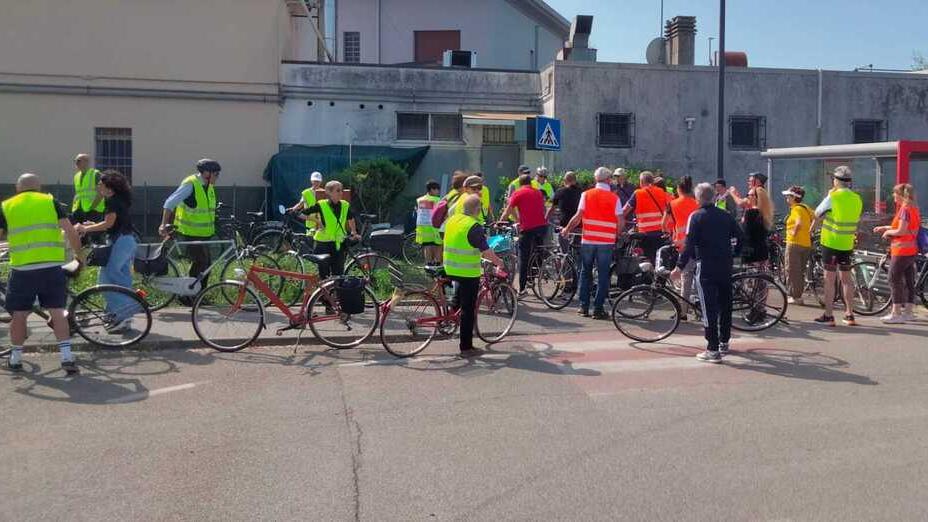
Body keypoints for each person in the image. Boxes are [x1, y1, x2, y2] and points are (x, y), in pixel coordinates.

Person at [2, 173, 85, 373]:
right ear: (39, 188)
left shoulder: (7, 206)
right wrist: (79, 256)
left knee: (19, 315)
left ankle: (15, 358)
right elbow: (71, 231)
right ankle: (66, 357)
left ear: (17, 188)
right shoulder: (50, 201)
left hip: (22, 269)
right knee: (57, 312)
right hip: (51, 268)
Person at [671, 182, 743, 363]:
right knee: (725, 304)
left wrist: (679, 267)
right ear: (713, 197)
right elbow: (741, 236)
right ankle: (724, 342)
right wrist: (735, 253)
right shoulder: (726, 216)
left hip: (706, 266)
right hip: (725, 265)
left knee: (708, 307)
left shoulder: (696, 217)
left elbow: (689, 245)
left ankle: (712, 349)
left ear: (698, 199)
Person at [74, 171, 139, 333]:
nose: (98, 186)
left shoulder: (111, 201)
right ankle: (119, 316)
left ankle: (124, 313)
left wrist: (85, 228)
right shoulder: (120, 200)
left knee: (105, 280)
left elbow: (108, 224)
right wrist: (94, 224)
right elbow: (111, 222)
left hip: (119, 242)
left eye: (100, 184)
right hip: (127, 241)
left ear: (109, 187)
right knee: (121, 280)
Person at [443, 195, 506, 357]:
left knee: (458, 298)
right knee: (468, 309)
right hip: (467, 272)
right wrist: (498, 262)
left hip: (449, 267)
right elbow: (486, 251)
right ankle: (466, 347)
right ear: (477, 210)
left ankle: (452, 318)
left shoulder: (453, 219)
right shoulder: (473, 226)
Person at [560, 167, 623, 319]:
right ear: (608, 180)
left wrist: (567, 229)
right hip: (606, 242)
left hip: (588, 240)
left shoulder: (586, 195)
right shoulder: (614, 198)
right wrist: (616, 235)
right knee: (603, 275)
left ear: (596, 179)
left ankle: (583, 306)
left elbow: (578, 216)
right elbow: (621, 221)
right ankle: (598, 309)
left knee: (585, 272)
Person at [813, 166, 863, 327]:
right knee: (847, 280)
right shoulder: (857, 198)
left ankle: (828, 315)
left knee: (829, 280)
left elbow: (817, 213)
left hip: (831, 243)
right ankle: (849, 314)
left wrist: (829, 195)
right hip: (847, 243)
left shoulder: (833, 197)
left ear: (836, 180)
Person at [160, 159, 221, 293]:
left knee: (206, 265)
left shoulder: (209, 186)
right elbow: (169, 203)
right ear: (206, 173)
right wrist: (163, 225)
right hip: (190, 232)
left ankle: (198, 294)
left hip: (204, 234)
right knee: (201, 262)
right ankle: (188, 294)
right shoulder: (191, 184)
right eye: (216, 174)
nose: (217, 177)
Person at [874, 183, 921, 323]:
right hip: (911, 249)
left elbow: (901, 231)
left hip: (901, 250)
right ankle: (908, 312)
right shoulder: (913, 209)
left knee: (893, 279)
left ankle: (896, 313)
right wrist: (885, 227)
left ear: (901, 195)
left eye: (895, 193)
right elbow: (904, 227)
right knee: (909, 280)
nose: (893, 195)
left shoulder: (904, 210)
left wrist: (888, 232)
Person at [499, 173, 548, 296]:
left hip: (528, 228)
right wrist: (519, 220)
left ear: (520, 184)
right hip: (542, 227)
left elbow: (508, 209)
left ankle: (522, 288)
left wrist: (500, 222)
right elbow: (543, 209)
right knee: (538, 252)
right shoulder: (538, 192)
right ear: (530, 182)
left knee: (523, 257)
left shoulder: (518, 193)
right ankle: (534, 276)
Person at [304, 181, 361, 279]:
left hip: (338, 244)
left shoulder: (345, 205)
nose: (341, 193)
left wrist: (354, 232)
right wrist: (318, 221)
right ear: (329, 192)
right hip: (322, 244)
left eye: (341, 190)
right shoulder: (321, 205)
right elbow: (303, 213)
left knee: (338, 274)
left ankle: (336, 293)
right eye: (338, 190)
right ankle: (325, 294)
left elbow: (350, 218)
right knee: (324, 275)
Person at [663, 176, 699, 319]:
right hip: (698, 244)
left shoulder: (672, 204)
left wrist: (671, 230)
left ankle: (683, 311)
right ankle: (699, 307)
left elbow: (664, 224)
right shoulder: (697, 203)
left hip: (682, 245)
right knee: (699, 277)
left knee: (685, 278)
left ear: (678, 189)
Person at [623, 170, 669, 263]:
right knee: (659, 261)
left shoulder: (638, 193)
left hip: (645, 234)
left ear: (642, 182)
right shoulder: (661, 192)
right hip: (661, 232)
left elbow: (624, 211)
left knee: (646, 261)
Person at [782, 186, 814, 305]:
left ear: (794, 198)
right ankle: (798, 295)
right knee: (800, 271)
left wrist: (793, 232)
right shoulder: (805, 207)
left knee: (791, 270)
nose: (786, 198)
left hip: (794, 243)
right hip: (806, 243)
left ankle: (795, 297)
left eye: (788, 196)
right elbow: (817, 217)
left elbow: (799, 222)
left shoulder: (795, 209)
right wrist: (810, 231)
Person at [549, 171, 582, 250]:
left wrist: (545, 218)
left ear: (565, 180)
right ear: (575, 180)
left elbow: (552, 208)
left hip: (565, 226)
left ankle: (565, 261)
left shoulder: (560, 191)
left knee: (564, 251)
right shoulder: (581, 192)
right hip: (579, 225)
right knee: (577, 251)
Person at [740, 186, 770, 269]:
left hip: (751, 250)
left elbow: (746, 232)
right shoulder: (764, 212)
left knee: (750, 277)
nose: (747, 197)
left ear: (755, 197)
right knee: (761, 277)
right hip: (762, 249)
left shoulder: (750, 213)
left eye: (749, 195)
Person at [71, 153, 105, 225]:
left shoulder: (96, 174)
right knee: (78, 234)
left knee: (92, 234)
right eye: (75, 161)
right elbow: (78, 193)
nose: (76, 163)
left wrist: (91, 208)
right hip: (78, 211)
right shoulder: (76, 176)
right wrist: (74, 207)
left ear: (86, 162)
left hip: (93, 211)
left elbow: (101, 193)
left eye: (78, 161)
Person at [415, 180, 443, 265]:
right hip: (433, 226)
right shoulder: (437, 200)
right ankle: (437, 263)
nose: (438, 191)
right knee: (438, 245)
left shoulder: (420, 200)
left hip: (422, 226)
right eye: (437, 189)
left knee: (427, 246)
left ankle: (428, 264)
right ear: (432, 190)